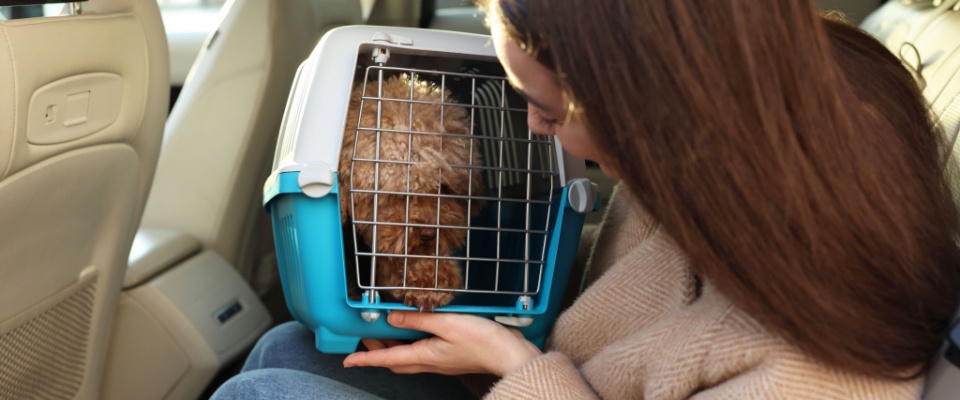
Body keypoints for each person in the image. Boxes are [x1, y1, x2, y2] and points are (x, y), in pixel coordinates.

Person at [212, 1, 960, 398]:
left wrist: (509, 362)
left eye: (546, 108)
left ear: (639, 100)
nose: (535, 128)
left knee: (274, 390)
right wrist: (499, 353)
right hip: (565, 378)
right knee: (292, 346)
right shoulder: (701, 167)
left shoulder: (808, 360)